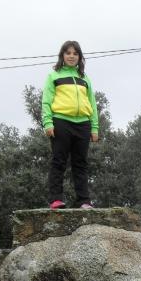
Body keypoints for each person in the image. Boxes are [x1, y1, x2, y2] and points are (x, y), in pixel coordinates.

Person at [41, 40, 99, 209]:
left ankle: (83, 200)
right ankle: (55, 199)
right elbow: (46, 101)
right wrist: (47, 123)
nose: (71, 56)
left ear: (79, 57)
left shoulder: (84, 78)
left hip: (83, 124)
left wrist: (94, 127)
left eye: (75, 53)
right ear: (62, 56)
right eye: (68, 53)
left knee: (81, 163)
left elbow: (92, 103)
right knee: (59, 161)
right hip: (61, 122)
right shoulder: (54, 76)